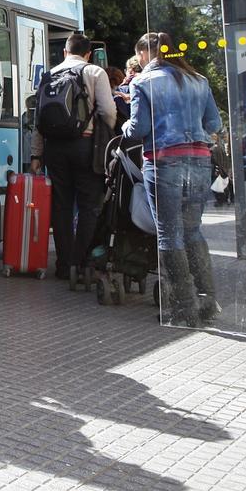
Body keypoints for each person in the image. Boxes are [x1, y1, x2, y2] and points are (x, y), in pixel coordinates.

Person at [122, 32, 222, 326]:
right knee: (193, 230)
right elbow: (214, 123)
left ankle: (182, 308)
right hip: (200, 161)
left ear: (144, 53)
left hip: (164, 161)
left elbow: (139, 128)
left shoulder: (143, 81)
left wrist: (126, 123)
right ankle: (207, 299)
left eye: (139, 56)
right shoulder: (199, 80)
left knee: (169, 233)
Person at [30, 33, 117, 282]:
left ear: (65, 52)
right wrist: (103, 130)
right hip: (86, 146)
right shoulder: (94, 72)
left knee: (61, 205)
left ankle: (63, 263)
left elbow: (39, 120)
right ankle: (80, 263)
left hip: (54, 148)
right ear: (88, 53)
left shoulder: (49, 75)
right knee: (89, 205)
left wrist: (37, 154)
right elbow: (108, 111)